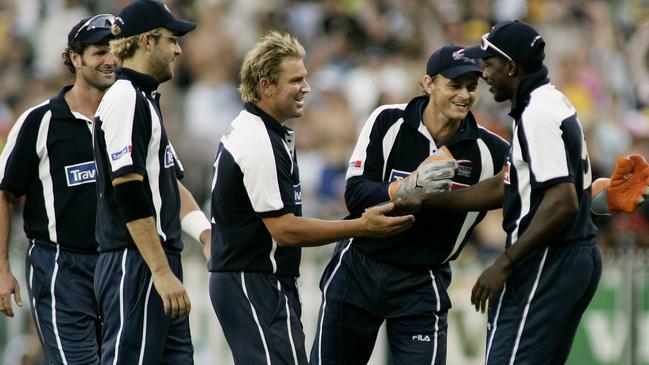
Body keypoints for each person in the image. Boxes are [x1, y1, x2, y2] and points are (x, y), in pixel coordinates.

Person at [392, 20, 613, 364]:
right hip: (572, 256)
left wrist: (505, 263)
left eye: (489, 63)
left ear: (511, 67)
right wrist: (429, 200)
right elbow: (506, 185)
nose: (484, 73)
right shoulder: (549, 102)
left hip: (548, 258)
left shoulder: (538, 114)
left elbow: (562, 201)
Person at [208, 31, 417, 364]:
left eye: (305, 77)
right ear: (266, 86)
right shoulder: (258, 139)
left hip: (258, 280)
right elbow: (285, 229)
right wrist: (360, 226)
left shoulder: (263, 131)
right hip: (253, 281)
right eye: (296, 80)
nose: (306, 87)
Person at [309, 45, 509, 365]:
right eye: (455, 85)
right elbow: (356, 193)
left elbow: (532, 188)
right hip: (359, 267)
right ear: (428, 84)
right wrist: (404, 189)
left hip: (422, 279)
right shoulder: (388, 120)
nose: (465, 95)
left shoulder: (491, 150)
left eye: (472, 87)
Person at [92, 1, 210, 363]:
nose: (178, 49)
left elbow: (169, 183)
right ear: (147, 40)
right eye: (172, 39)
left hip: (155, 259)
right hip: (138, 260)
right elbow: (127, 187)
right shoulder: (126, 98)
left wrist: (206, 235)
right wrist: (160, 271)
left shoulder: (143, 99)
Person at [0, 14, 116, 365]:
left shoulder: (130, 117)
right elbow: (3, 191)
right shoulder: (40, 121)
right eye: (99, 52)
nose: (109, 60)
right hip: (60, 266)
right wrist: (2, 268)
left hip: (116, 265)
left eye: (114, 51)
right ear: (75, 58)